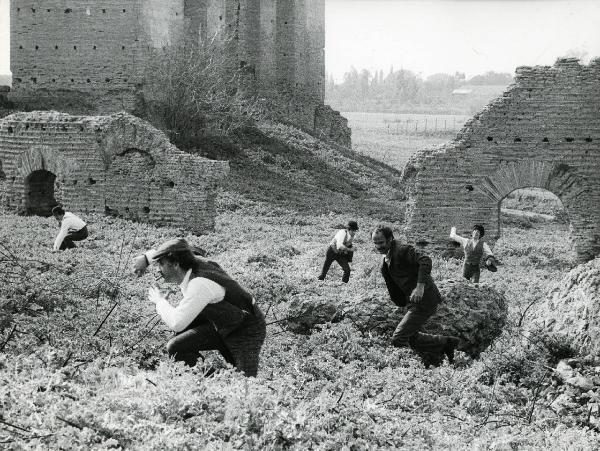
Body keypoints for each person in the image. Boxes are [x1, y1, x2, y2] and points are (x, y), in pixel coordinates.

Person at [133, 238, 266, 377]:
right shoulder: (190, 260)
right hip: (222, 322)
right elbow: (177, 247)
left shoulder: (200, 284)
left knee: (245, 385)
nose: (158, 270)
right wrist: (147, 258)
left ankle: (222, 384)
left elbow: (176, 323)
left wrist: (159, 301)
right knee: (177, 347)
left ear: (176, 264)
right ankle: (214, 382)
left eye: (161, 264)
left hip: (246, 329)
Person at [371, 225, 460, 366]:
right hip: (413, 303)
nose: (378, 246)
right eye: (375, 243)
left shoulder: (402, 249)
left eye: (381, 242)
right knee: (412, 337)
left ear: (390, 239)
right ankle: (446, 343)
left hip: (425, 300)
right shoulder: (386, 260)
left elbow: (425, 260)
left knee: (398, 338)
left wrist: (420, 287)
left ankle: (406, 367)